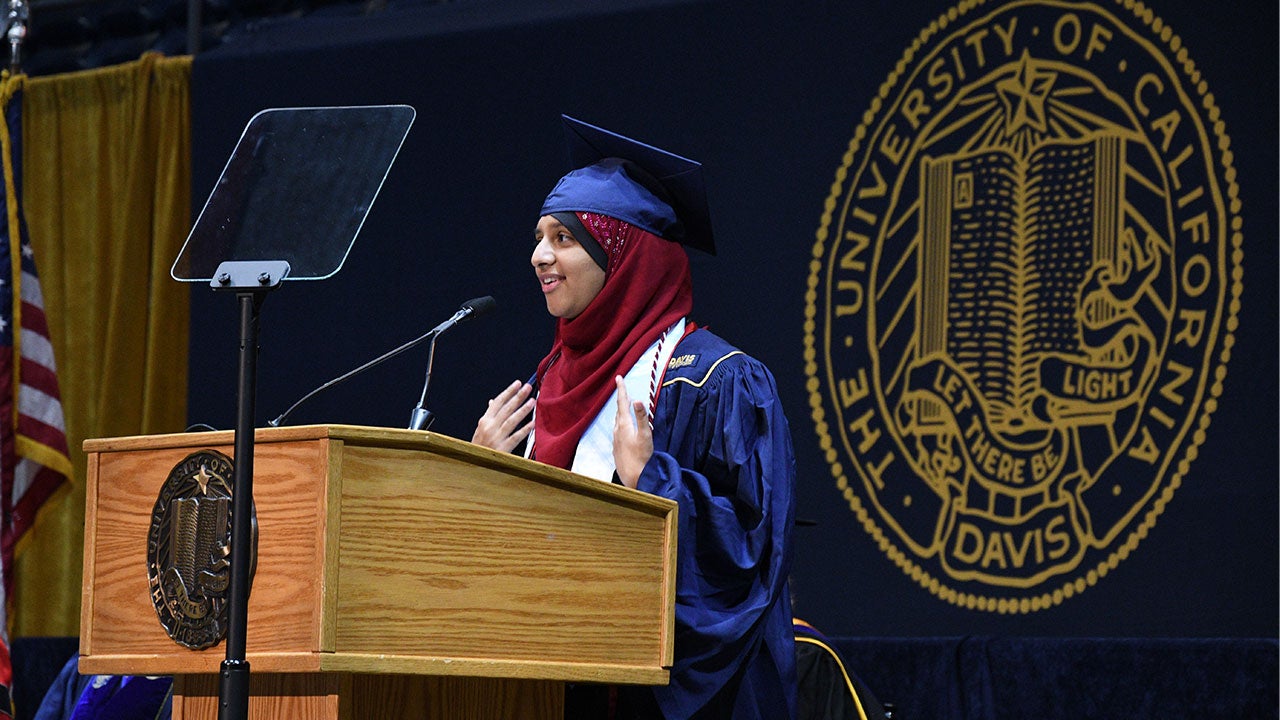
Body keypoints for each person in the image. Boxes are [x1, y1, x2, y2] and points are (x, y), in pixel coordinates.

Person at [472, 115, 798, 719]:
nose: (538, 255)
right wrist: (483, 476)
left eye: (564, 239)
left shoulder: (719, 381)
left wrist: (652, 478)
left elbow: (752, 558)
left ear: (626, 258)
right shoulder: (549, 385)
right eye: (540, 236)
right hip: (557, 690)